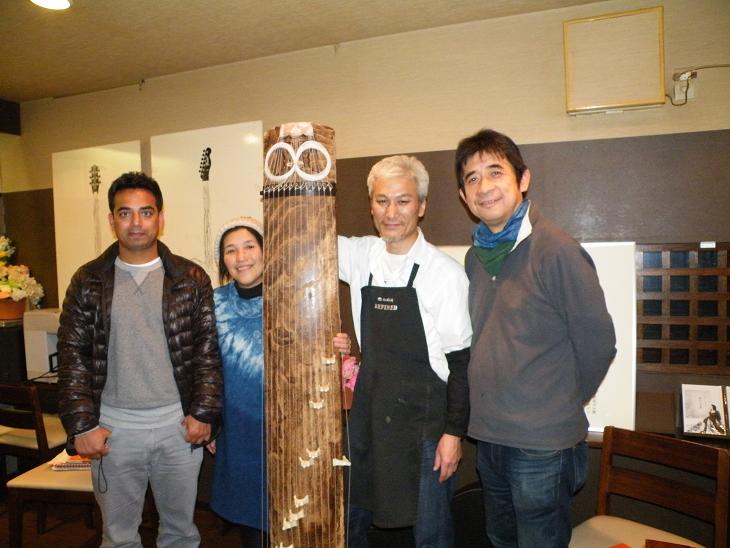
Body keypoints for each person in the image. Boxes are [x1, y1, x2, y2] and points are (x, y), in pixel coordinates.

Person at [454, 129, 617, 548]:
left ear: (523, 179)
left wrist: (556, 402)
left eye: (495, 172)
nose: (484, 186)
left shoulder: (556, 249)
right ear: (463, 196)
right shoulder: (475, 258)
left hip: (542, 445)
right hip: (489, 436)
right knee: (500, 538)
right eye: (472, 178)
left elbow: (599, 343)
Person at [57, 171, 223, 547]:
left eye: (146, 212)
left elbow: (206, 352)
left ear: (160, 218)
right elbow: (73, 356)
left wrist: (204, 413)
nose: (136, 222)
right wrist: (82, 426)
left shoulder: (190, 277)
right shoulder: (87, 280)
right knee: (118, 538)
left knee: (181, 534)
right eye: (125, 213)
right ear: (112, 219)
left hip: (177, 428)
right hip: (112, 431)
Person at [338, 155, 472, 548]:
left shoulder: (445, 274)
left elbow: (461, 363)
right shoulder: (361, 255)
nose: (391, 212)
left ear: (422, 206)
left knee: (431, 533)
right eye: (382, 201)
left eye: (403, 201)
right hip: (371, 417)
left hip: (426, 426)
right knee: (353, 524)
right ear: (371, 206)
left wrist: (453, 434)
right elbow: (302, 241)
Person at [208, 216, 351, 546]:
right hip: (238, 430)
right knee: (251, 522)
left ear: (266, 250)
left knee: (293, 517)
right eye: (230, 250)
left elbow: (317, 353)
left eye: (249, 246)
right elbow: (204, 368)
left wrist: (336, 346)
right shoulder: (213, 303)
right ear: (223, 260)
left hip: (291, 431)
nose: (241, 257)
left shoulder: (295, 297)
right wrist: (209, 418)